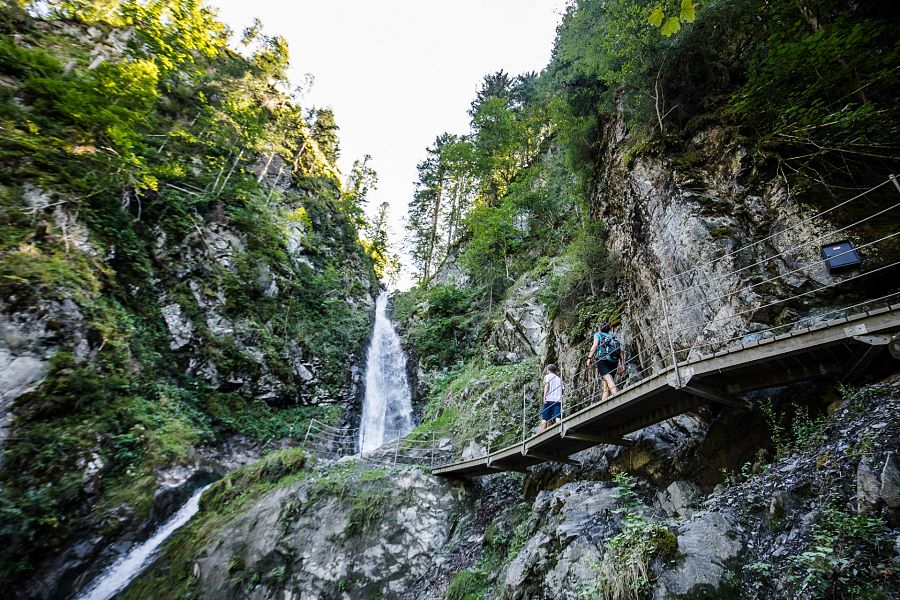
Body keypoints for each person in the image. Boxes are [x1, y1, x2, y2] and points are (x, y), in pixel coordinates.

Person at [586, 322, 621, 403]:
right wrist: (622, 364)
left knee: (609, 380)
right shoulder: (612, 337)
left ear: (600, 328)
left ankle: (618, 397)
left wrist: (589, 358)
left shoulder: (598, 335)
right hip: (613, 361)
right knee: (606, 386)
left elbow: (595, 346)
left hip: (602, 360)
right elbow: (620, 351)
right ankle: (603, 404)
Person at [540, 364, 564, 432]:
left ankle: (542, 432)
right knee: (557, 416)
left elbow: (546, 386)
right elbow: (562, 390)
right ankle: (559, 431)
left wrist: (544, 396)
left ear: (548, 370)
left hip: (549, 399)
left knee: (545, 417)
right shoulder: (559, 379)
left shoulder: (547, 376)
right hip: (558, 400)